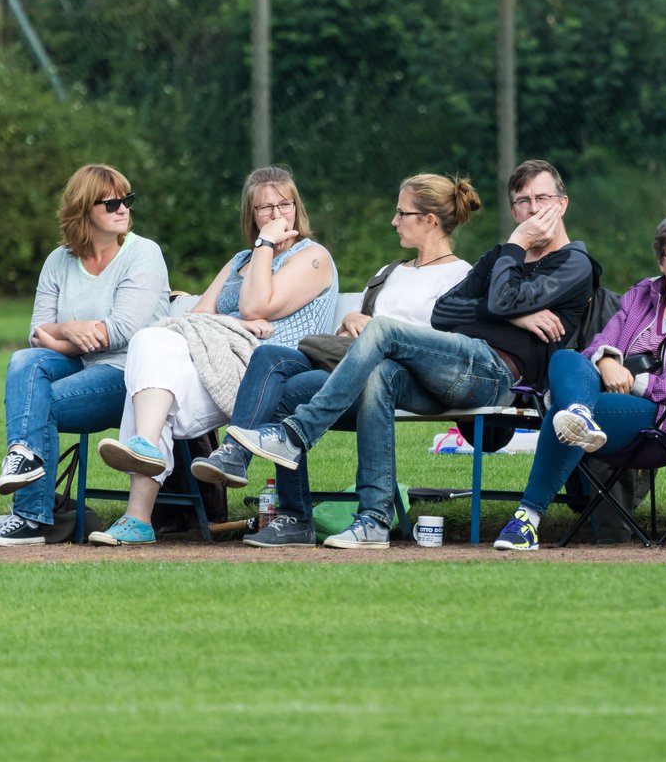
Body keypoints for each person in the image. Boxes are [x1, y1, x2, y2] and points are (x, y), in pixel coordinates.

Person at [228, 159, 595, 550]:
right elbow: (446, 310)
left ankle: (296, 433)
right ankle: (373, 520)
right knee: (379, 375)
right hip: (447, 372)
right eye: (523, 201)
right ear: (513, 209)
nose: (533, 209)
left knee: (383, 329)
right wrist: (519, 313)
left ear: (563, 204)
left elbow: (496, 298)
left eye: (542, 199)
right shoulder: (501, 257)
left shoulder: (573, 263)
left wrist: (514, 264)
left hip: (496, 375)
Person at [189, 173, 479, 547]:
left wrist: (377, 328)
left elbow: (444, 348)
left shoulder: (459, 275)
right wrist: (351, 321)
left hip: (398, 380)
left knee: (287, 393)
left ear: (429, 220)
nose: (393, 221)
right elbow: (346, 339)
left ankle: (292, 514)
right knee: (270, 356)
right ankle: (236, 456)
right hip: (348, 370)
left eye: (401, 213)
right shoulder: (388, 273)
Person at [90, 165, 337, 545]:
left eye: (283, 205)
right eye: (264, 209)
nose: (275, 215)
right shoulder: (240, 261)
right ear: (250, 216)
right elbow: (199, 316)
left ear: (297, 208)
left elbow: (257, 306)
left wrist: (265, 246)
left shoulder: (312, 256)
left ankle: (139, 502)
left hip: (267, 371)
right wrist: (238, 319)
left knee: (152, 388)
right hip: (218, 362)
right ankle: (141, 482)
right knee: (150, 352)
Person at [489, 212, 666, 551]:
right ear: (661, 261)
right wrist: (607, 360)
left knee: (561, 416)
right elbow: (598, 344)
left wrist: (640, 383)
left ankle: (528, 519)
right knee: (568, 357)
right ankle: (578, 410)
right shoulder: (642, 297)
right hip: (611, 405)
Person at [0, 164, 170, 546]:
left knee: (39, 401)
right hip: (77, 364)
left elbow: (119, 333)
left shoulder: (143, 254)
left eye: (126, 200)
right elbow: (37, 333)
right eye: (111, 202)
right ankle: (23, 457)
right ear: (83, 210)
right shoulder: (58, 261)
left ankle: (32, 518)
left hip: (130, 376)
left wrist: (64, 333)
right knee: (23, 362)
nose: (123, 209)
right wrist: (70, 329)